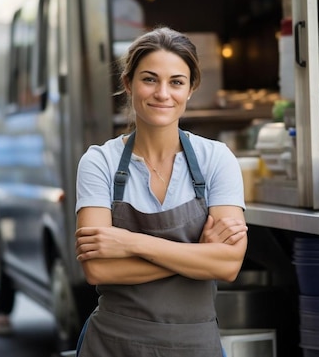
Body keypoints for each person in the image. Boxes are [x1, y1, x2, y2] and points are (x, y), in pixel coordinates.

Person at [74, 27, 249, 357]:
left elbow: (228, 265)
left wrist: (128, 242)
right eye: (150, 79)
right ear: (128, 83)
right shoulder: (100, 161)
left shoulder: (216, 159)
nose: (163, 93)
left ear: (191, 89)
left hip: (194, 345)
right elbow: (97, 269)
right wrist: (198, 254)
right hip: (113, 343)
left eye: (177, 82)